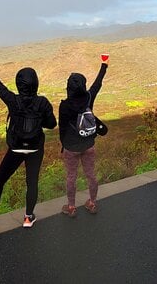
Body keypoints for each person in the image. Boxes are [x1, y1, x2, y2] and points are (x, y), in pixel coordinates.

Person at [0, 56, 56, 231]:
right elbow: (52, 124)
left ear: (18, 84)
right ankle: (28, 218)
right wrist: (38, 121)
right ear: (36, 83)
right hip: (36, 148)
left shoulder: (12, 100)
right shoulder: (43, 103)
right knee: (32, 182)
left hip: (15, 148)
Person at [58, 56, 108, 217]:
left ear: (69, 88)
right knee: (91, 174)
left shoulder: (64, 105)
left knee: (71, 176)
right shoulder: (89, 98)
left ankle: (71, 207)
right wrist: (104, 64)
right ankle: (92, 203)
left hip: (71, 147)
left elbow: (62, 128)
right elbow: (98, 83)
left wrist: (63, 145)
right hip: (88, 144)